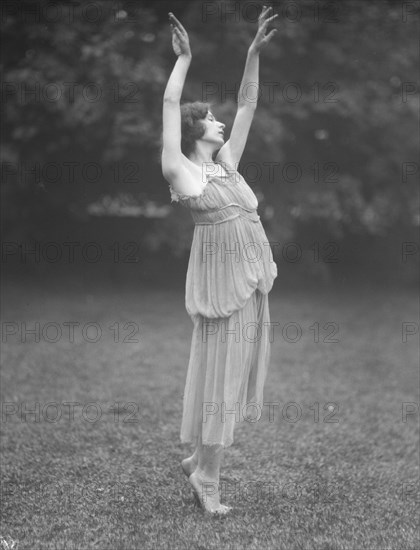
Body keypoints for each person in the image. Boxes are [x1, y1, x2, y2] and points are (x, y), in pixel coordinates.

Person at [161, 7, 278, 515]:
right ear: (192, 132)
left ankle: (199, 463)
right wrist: (183, 60)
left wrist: (252, 55)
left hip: (250, 281)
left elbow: (249, 102)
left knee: (230, 379)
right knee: (221, 380)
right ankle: (206, 477)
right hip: (220, 287)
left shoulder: (226, 164)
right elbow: (168, 103)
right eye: (209, 118)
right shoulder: (182, 173)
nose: (220, 120)